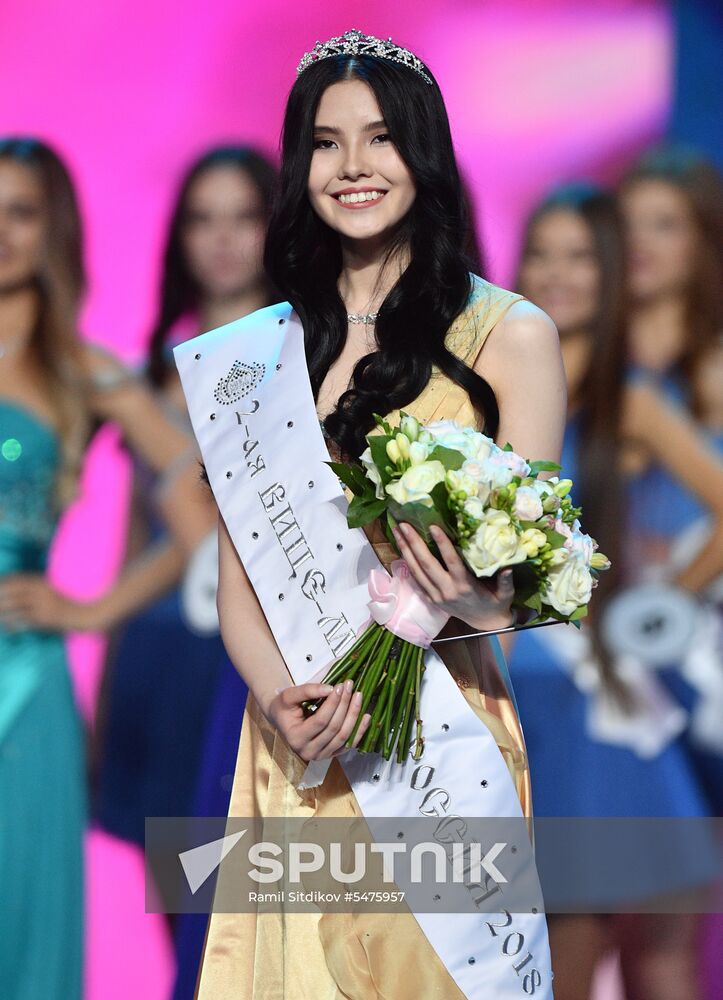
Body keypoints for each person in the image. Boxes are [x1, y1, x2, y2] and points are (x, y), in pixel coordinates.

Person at [178, 30, 567, 999]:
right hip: (298, 742)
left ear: (424, 153)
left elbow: (541, 578)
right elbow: (241, 590)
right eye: (325, 141)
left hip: (439, 750)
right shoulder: (260, 353)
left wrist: (468, 593)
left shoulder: (509, 335)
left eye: (381, 138)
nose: (353, 167)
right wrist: (280, 700)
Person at [0, 138, 213, 999]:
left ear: (54, 231)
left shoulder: (83, 374)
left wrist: (94, 610)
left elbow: (205, 517)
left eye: (20, 213)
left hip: (24, 683)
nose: (1, 232)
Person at [512, 182, 723, 1000]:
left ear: (607, 271)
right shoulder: (478, 391)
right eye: (540, 253)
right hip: (495, 692)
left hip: (585, 701)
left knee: (605, 955)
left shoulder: (626, 400)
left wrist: (658, 602)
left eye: (577, 256)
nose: (557, 274)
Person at [92, 146, 276, 854]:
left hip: (245, 654)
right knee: (177, 894)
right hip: (156, 653)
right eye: (203, 219)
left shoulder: (305, 360)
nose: (223, 239)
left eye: (243, 217)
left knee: (239, 906)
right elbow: (135, 541)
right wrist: (107, 685)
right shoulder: (153, 377)